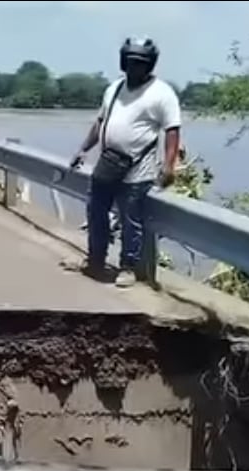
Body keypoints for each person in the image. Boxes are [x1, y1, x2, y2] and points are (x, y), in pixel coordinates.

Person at [68, 37, 181, 288]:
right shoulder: (114, 89)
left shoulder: (162, 93)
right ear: (123, 62)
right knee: (95, 212)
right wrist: (83, 149)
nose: (134, 68)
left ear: (149, 65)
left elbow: (172, 130)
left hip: (137, 170)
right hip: (107, 163)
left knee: (131, 220)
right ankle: (95, 260)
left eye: (140, 63)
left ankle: (128, 267)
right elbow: (100, 122)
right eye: (130, 62)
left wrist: (169, 165)